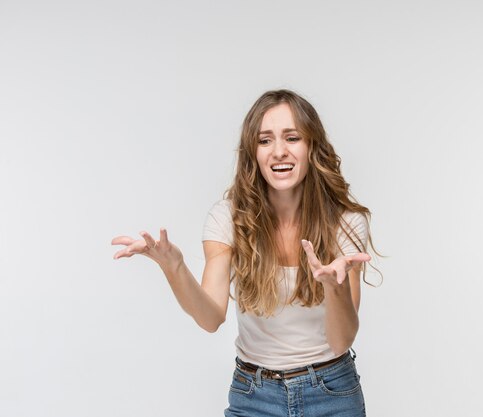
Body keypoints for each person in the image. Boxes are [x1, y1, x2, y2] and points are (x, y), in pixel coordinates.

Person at [111, 89, 379, 416]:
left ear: (312, 147)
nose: (279, 151)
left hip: (332, 393)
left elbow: (341, 341)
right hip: (254, 395)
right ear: (253, 152)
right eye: (265, 140)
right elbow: (210, 318)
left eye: (292, 138)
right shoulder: (227, 218)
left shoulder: (346, 222)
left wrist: (334, 288)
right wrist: (174, 267)